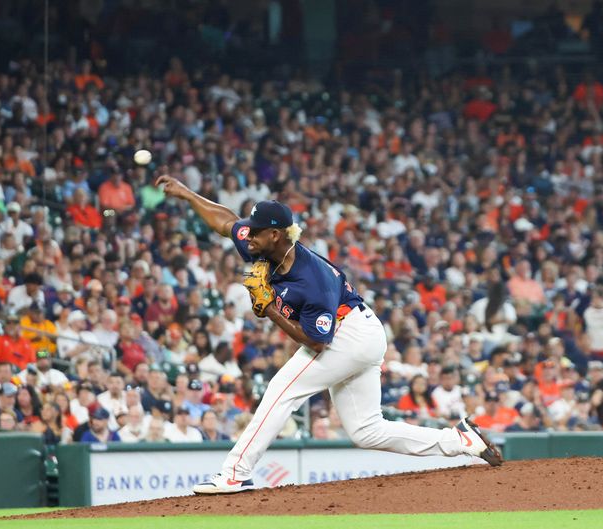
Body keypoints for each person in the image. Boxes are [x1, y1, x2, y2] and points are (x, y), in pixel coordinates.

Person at [157, 175, 502, 495]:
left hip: (348, 333)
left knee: (281, 391)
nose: (249, 235)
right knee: (366, 430)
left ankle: (235, 472)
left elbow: (318, 342)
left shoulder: (311, 279)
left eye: (256, 232)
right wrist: (187, 194)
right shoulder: (261, 243)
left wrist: (269, 310)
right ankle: (459, 441)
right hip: (358, 329)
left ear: (275, 235)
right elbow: (225, 221)